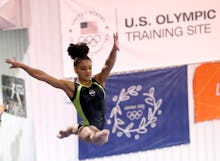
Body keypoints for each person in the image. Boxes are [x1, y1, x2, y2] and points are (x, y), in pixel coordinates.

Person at [6, 33, 119, 145]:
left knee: (85, 132)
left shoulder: (99, 81)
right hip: (88, 128)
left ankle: (70, 131)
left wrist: (114, 50)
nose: (88, 71)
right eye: (83, 68)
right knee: (94, 136)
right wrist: (22, 66)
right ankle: (89, 134)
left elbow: (108, 65)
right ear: (75, 69)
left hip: (94, 127)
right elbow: (43, 76)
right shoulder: (73, 88)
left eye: (90, 68)